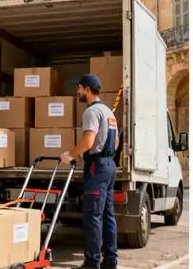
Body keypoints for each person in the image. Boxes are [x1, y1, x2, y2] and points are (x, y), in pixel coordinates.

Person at [61, 74, 120, 269]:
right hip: (109, 165)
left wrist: (70, 155)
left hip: (97, 166)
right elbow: (117, 142)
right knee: (107, 215)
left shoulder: (91, 112)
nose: (77, 91)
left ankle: (92, 262)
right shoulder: (109, 112)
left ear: (87, 89)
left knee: (93, 216)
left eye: (79, 88)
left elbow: (88, 141)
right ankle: (110, 261)